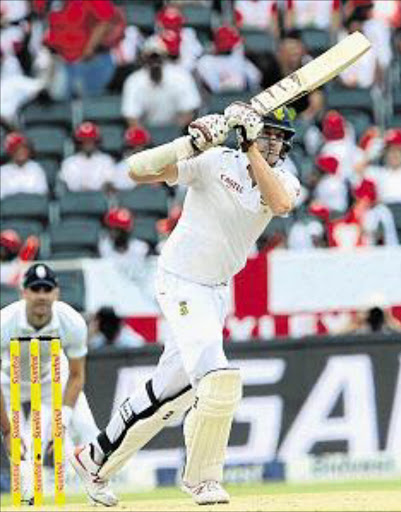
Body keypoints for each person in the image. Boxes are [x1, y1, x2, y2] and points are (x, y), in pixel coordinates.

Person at [70, 104, 300, 506]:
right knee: (218, 378)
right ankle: (202, 479)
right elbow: (136, 170)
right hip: (179, 279)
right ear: (252, 133)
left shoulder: (283, 180)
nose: (275, 142)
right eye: (269, 134)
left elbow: (279, 204)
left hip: (215, 290)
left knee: (169, 391)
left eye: (281, 138)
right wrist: (190, 142)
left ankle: (94, 459)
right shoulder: (212, 162)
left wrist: (249, 147)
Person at [0, 263, 115, 506]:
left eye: (47, 289)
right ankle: (27, 488)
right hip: (9, 380)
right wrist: (8, 430)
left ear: (56, 293)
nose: (41, 295)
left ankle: (98, 485)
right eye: (35, 289)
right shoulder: (4, 322)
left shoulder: (71, 321)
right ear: (24, 292)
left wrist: (62, 420)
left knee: (86, 427)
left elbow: (75, 375)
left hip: (53, 377)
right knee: (25, 451)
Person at [122, 34, 201, 128]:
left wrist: (174, 135)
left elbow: (189, 111)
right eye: (151, 57)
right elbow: (131, 117)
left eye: (157, 57)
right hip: (147, 134)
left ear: (165, 56)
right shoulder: (134, 81)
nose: (155, 61)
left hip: (177, 132)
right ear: (144, 58)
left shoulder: (181, 76)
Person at [59, 121, 116, 193]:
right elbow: (63, 188)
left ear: (97, 141)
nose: (88, 143)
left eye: (91, 140)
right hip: (74, 200)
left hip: (98, 200)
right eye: (84, 140)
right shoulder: (69, 162)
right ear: (78, 143)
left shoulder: (106, 160)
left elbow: (110, 185)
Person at [0, 132, 48, 199]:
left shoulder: (36, 168)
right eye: (17, 149)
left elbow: (41, 193)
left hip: (33, 207)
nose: (21, 152)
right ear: (10, 152)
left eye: (24, 148)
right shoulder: (2, 171)